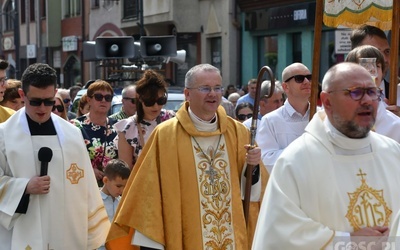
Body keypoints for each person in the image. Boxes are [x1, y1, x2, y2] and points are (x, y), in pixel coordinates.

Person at [106, 63, 269, 250]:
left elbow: (254, 195)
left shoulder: (238, 132)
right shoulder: (166, 135)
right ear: (187, 94)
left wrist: (253, 166)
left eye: (217, 88)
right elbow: (148, 194)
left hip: (233, 234)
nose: (213, 94)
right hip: (186, 235)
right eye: (205, 88)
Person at [252, 62, 400, 249]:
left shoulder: (392, 153)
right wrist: (347, 242)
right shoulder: (296, 161)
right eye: (355, 92)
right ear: (327, 101)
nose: (367, 101)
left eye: (372, 92)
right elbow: (279, 236)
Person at [0, 63, 110, 249]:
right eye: (35, 101)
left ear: (55, 93)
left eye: (49, 101)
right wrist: (24, 187)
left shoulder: (72, 134)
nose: (42, 108)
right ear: (22, 95)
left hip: (66, 233)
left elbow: (87, 188)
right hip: (22, 230)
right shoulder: (4, 135)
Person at [114, 70, 175, 168]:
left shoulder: (173, 120)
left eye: (161, 101)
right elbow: (126, 170)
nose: (155, 106)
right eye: (149, 102)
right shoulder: (128, 128)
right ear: (140, 99)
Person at [257, 62, 311, 173]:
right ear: (285, 87)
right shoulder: (270, 120)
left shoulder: (322, 115)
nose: (306, 82)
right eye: (299, 78)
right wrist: (303, 153)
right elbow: (266, 160)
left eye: (309, 77)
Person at [345, 45, 400, 143]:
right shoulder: (336, 112)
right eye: (365, 65)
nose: (372, 70)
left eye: (377, 66)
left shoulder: (395, 124)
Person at [71, 80, 118, 186]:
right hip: (85, 186)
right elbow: (69, 157)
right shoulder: (75, 126)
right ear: (89, 100)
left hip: (113, 188)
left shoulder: (118, 127)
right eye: (98, 97)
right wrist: (89, 170)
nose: (103, 100)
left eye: (108, 98)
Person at [350, 24, 400, 116]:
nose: (384, 59)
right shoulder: (341, 96)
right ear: (356, 55)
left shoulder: (398, 93)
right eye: (374, 52)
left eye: (387, 52)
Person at [99, 159, 131, 250]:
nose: (122, 190)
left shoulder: (122, 202)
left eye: (125, 186)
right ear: (105, 180)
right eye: (118, 186)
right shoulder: (96, 201)